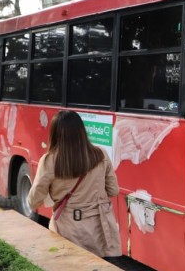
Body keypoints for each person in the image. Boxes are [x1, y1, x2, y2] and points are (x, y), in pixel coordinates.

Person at [28, 110, 121, 258]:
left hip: (69, 231)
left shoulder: (50, 160)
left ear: (55, 133)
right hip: (100, 231)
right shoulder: (100, 154)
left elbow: (34, 201)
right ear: (81, 131)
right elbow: (113, 190)